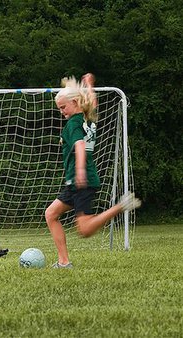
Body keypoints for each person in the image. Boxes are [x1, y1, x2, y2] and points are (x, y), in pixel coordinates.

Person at [45, 73, 141, 268]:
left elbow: (80, 146)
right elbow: (92, 103)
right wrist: (89, 84)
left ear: (74, 102)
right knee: (51, 214)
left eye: (63, 107)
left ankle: (119, 207)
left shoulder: (73, 124)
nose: (62, 112)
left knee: (85, 230)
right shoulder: (87, 118)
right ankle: (64, 262)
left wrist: (79, 170)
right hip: (77, 181)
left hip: (81, 179)